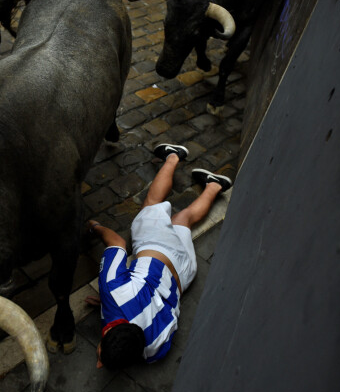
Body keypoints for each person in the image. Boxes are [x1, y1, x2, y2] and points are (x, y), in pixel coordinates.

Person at [87, 143, 232, 369]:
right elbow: (117, 243)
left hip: (184, 273)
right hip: (157, 250)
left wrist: (108, 311)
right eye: (100, 358)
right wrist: (94, 226)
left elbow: (148, 317)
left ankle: (214, 186)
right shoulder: (113, 292)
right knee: (151, 204)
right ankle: (174, 156)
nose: (98, 364)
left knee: (183, 219)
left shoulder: (156, 350)